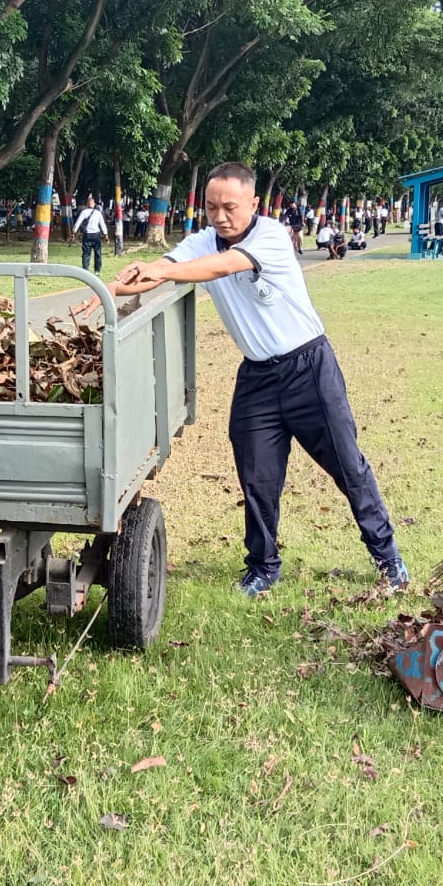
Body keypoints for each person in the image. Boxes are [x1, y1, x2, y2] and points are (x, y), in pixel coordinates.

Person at [110, 162, 408, 597]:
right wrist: (112, 288)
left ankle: (388, 558)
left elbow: (220, 267)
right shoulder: (200, 242)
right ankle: (263, 567)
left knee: (348, 466)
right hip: (257, 379)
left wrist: (164, 271)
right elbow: (165, 264)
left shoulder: (270, 236)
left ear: (253, 203)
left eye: (230, 206)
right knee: (256, 477)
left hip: (310, 368)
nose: (219, 215)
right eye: (211, 206)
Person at [72, 194, 109, 273]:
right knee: (97, 253)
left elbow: (77, 223)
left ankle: (85, 269)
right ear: (94, 204)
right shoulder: (98, 213)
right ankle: (97, 270)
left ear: (86, 204)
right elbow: (102, 225)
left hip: (87, 235)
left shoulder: (84, 212)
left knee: (86, 253)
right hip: (96, 235)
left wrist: (73, 233)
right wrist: (106, 235)